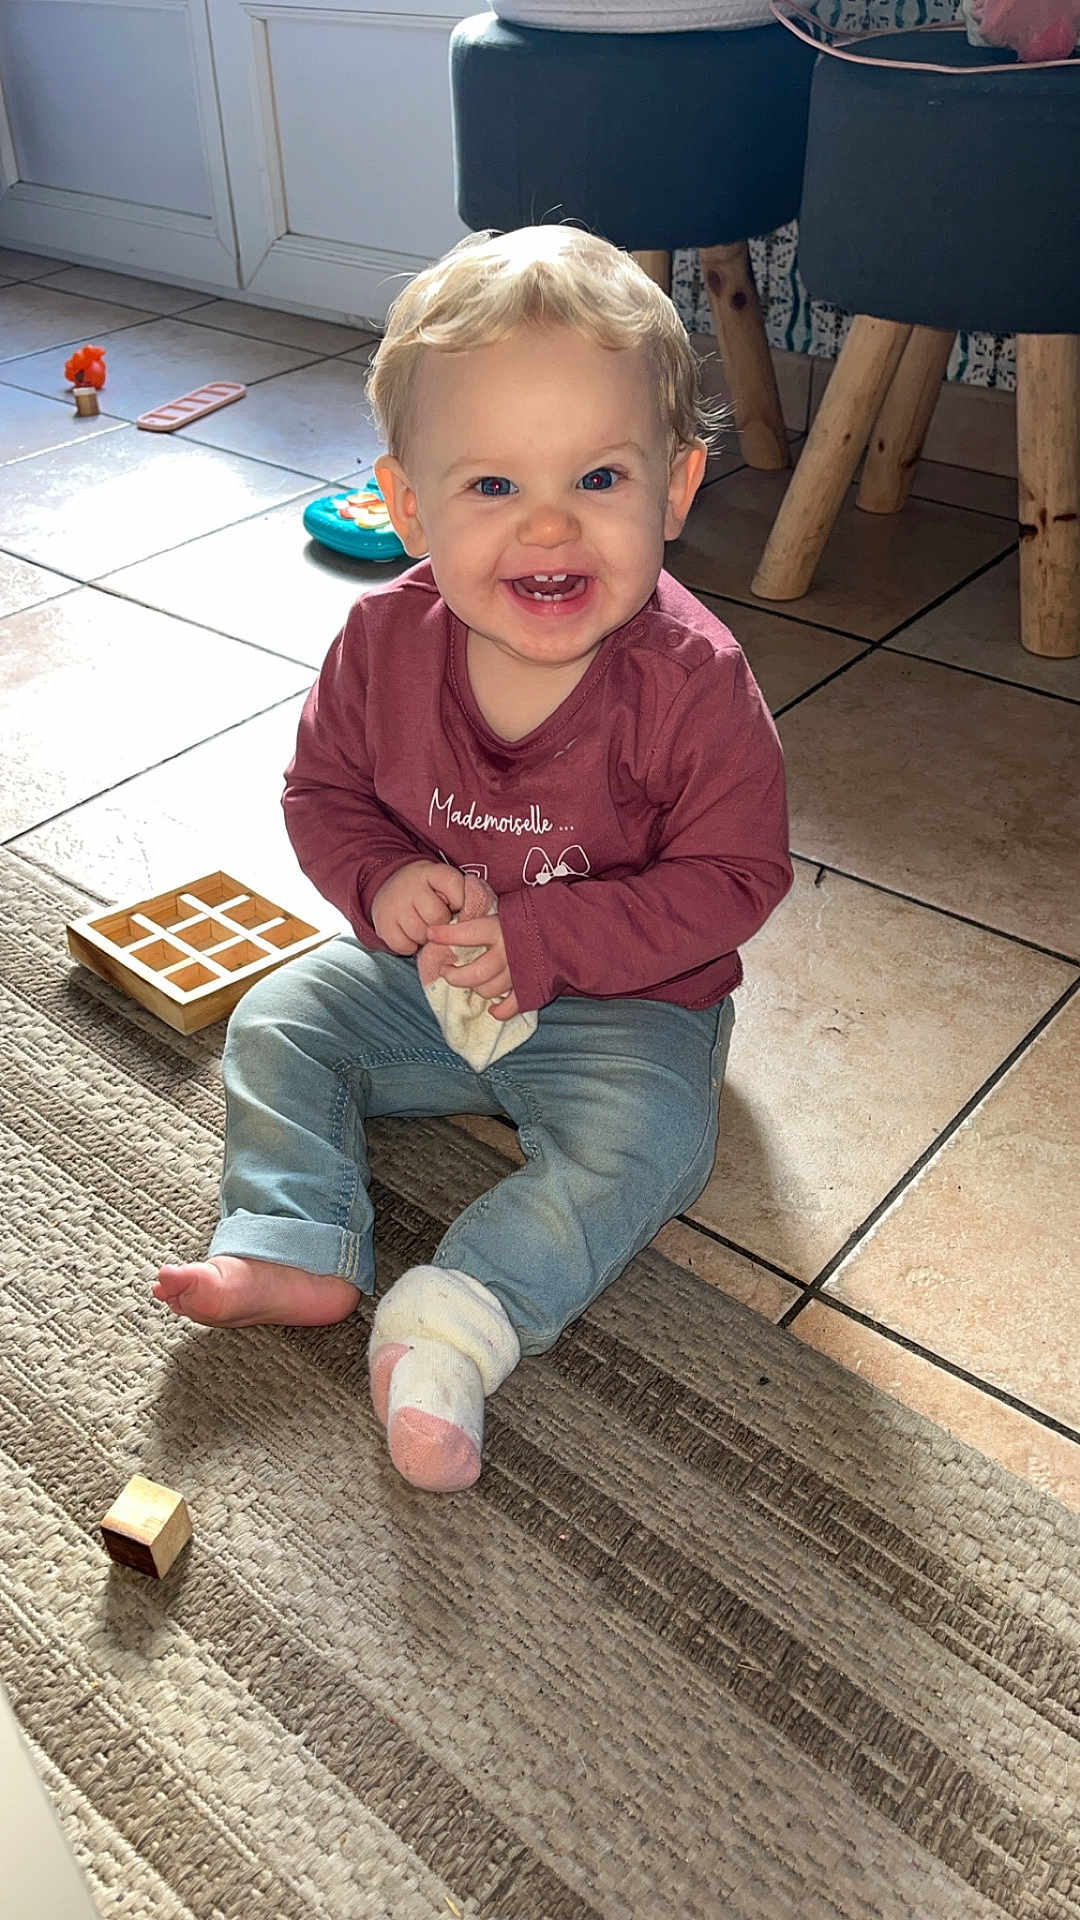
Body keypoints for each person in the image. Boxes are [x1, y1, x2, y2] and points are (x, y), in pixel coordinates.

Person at [154, 226, 793, 1494]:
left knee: (657, 1140)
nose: (548, 525)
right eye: (492, 487)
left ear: (674, 489)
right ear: (406, 508)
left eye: (600, 479)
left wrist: (547, 941)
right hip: (426, 983)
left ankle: (460, 1320)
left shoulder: (695, 683)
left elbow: (736, 881)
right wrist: (381, 883)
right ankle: (296, 1236)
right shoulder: (378, 646)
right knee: (282, 1013)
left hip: (624, 1005)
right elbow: (324, 793)